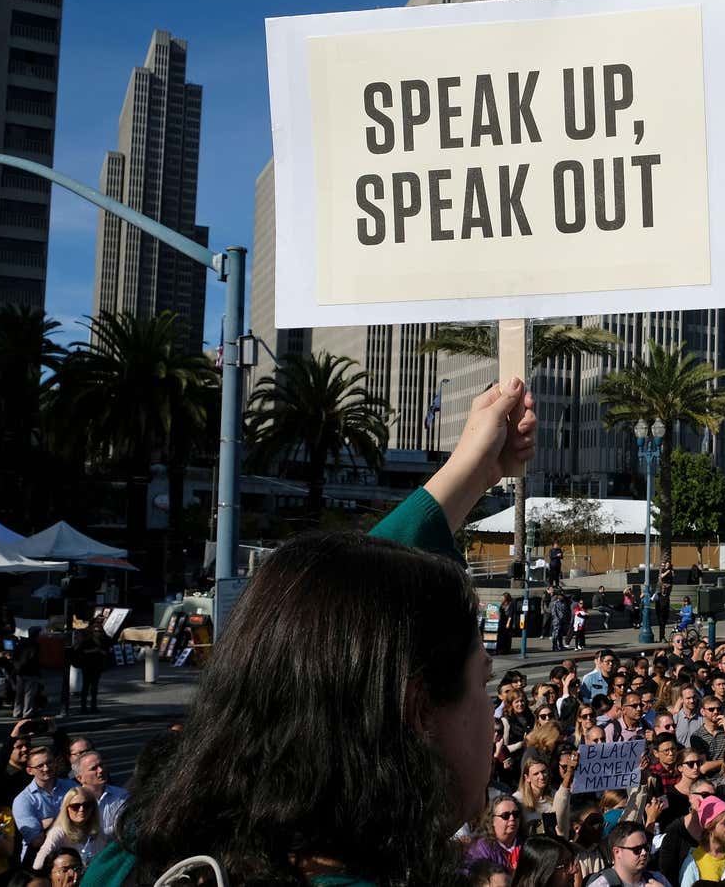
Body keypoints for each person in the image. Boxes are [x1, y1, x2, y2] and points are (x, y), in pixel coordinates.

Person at [79, 377, 537, 887]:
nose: (490, 713)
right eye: (482, 682)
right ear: (418, 710)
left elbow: (330, 618)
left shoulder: (134, 859)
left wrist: (472, 469)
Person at [14, 747, 75, 865]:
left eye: (49, 763)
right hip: (40, 858)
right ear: (29, 771)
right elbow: (36, 841)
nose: (46, 768)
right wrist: (65, 818)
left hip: (72, 852)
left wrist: (47, 824)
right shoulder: (23, 800)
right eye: (40, 766)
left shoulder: (71, 786)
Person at [31, 788, 102, 870]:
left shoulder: (97, 831)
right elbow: (38, 865)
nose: (81, 809)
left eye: (86, 805)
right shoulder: (58, 832)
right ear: (66, 809)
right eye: (75, 806)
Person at [584, 820, 671, 887]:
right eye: (637, 849)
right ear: (617, 852)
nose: (644, 853)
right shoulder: (602, 885)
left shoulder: (658, 879)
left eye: (646, 847)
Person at [466, 797, 525, 872]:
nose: (512, 818)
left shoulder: (526, 844)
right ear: (492, 821)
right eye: (505, 815)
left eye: (516, 814)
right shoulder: (480, 850)